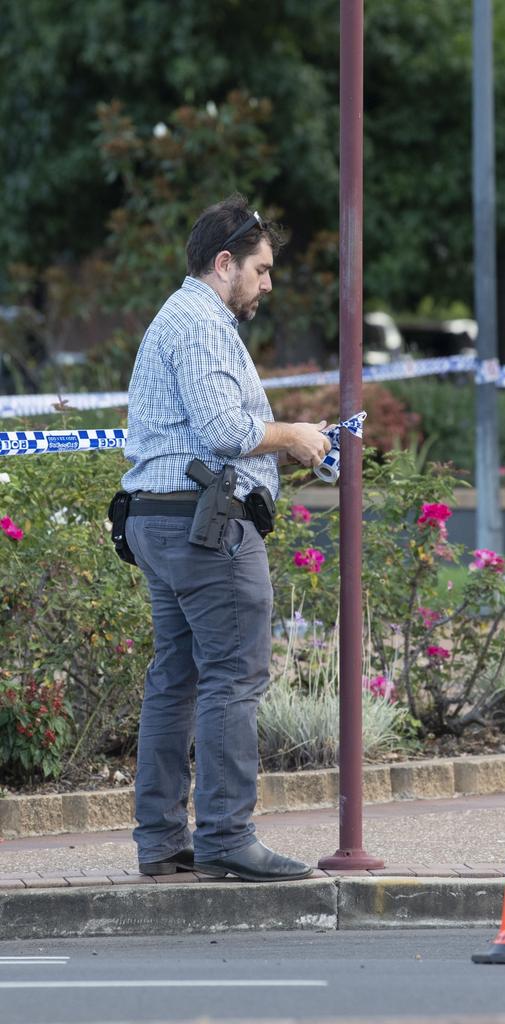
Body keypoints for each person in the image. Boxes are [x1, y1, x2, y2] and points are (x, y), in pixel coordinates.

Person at [121, 193, 331, 882]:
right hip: (205, 527)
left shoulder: (175, 317)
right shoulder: (205, 324)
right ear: (224, 263)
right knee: (232, 680)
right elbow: (224, 432)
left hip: (160, 519)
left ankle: (160, 841)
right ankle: (225, 836)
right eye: (262, 270)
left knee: (175, 680)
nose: (268, 284)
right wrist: (296, 437)